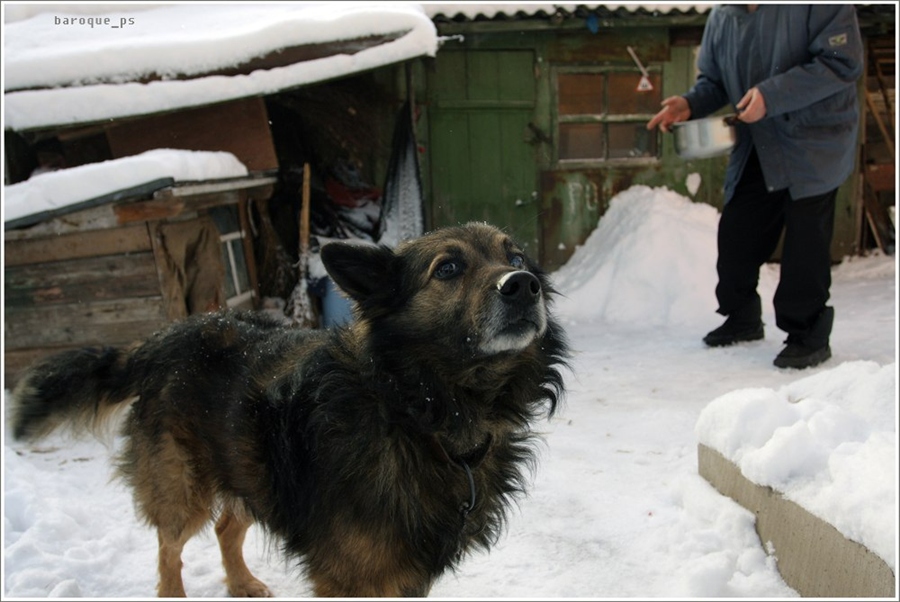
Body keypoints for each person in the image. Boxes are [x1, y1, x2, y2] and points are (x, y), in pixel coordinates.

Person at [647, 4, 863, 369]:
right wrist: (689, 103)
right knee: (737, 236)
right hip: (759, 142)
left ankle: (807, 334)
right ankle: (742, 316)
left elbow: (841, 62)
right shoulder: (723, 16)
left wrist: (772, 94)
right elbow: (714, 81)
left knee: (804, 244)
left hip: (814, 143)